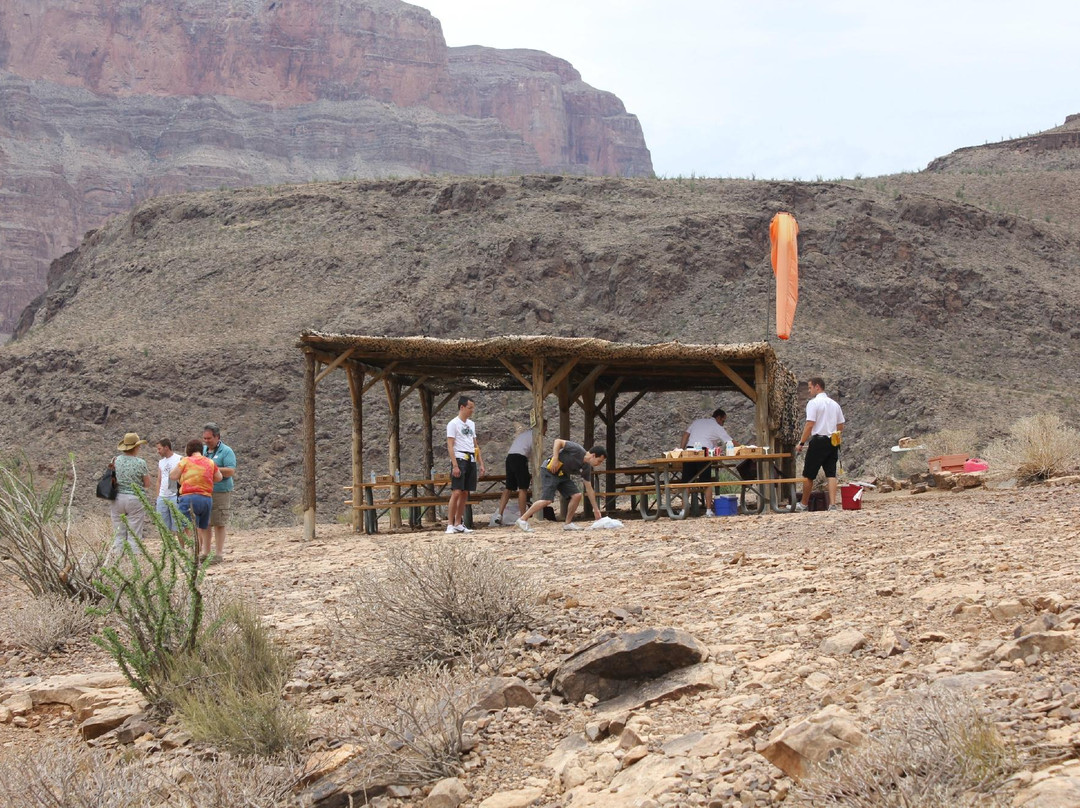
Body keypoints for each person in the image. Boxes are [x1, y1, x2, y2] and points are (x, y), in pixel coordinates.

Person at [516, 440, 606, 532]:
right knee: (547, 500)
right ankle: (522, 519)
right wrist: (555, 458)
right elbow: (558, 441)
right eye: (599, 461)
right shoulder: (577, 449)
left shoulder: (586, 467)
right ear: (593, 455)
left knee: (576, 495)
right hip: (549, 470)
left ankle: (568, 524)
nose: (599, 464)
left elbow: (589, 488)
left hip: (562, 475)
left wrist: (596, 510)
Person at [796, 377, 846, 511]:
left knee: (809, 474)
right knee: (831, 473)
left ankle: (804, 504)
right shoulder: (834, 404)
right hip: (832, 441)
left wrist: (801, 442)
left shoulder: (813, 403)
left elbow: (810, 424)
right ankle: (832, 504)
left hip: (818, 441)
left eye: (810, 387)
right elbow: (841, 425)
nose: (809, 390)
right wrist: (835, 434)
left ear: (817, 387)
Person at [171, 438, 223, 561]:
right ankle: (198, 555)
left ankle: (193, 556)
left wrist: (182, 479)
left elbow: (173, 475)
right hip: (206, 499)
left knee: (189, 528)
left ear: (188, 450)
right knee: (200, 528)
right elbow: (219, 477)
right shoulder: (210, 462)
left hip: (188, 498)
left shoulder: (185, 461)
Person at [680, 408, 736, 515]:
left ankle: (683, 510)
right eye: (723, 421)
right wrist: (742, 447)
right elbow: (730, 441)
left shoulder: (697, 422)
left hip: (690, 451)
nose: (723, 423)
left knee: (686, 482)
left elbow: (686, 434)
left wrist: (681, 450)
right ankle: (708, 510)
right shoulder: (716, 427)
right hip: (703, 452)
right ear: (718, 418)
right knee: (706, 482)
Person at [109, 433, 151, 559]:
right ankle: (134, 561)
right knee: (134, 533)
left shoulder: (115, 460)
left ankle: (117, 560)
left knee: (118, 532)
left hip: (117, 498)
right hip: (135, 499)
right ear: (136, 447)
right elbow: (147, 484)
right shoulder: (141, 463)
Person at [494, 421, 545, 526]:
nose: (546, 430)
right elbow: (535, 456)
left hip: (510, 457)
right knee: (523, 488)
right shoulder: (536, 436)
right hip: (520, 458)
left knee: (508, 487)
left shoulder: (525, 434)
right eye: (545, 428)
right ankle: (523, 517)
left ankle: (499, 514)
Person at [446, 396, 484, 534]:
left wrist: (481, 462)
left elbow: (475, 444)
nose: (472, 410)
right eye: (469, 408)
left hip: (471, 458)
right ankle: (450, 524)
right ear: (462, 407)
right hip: (460, 458)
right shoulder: (453, 424)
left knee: (465, 492)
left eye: (472, 408)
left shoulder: (471, 424)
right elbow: (450, 445)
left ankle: (458, 522)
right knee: (456, 491)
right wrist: (455, 465)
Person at [202, 423, 236, 561]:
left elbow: (230, 471)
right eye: (205, 438)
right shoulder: (203, 450)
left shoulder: (227, 451)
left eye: (209, 438)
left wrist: (212, 468)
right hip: (205, 491)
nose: (206, 441)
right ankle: (206, 553)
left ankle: (219, 554)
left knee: (219, 522)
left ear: (217, 437)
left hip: (220, 492)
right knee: (205, 523)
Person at [153, 438, 183, 535]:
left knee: (178, 526)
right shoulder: (161, 462)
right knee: (163, 528)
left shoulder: (179, 459)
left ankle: (181, 544)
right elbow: (159, 480)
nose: (158, 451)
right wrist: (158, 497)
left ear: (166, 447)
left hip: (175, 495)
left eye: (159, 449)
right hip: (162, 497)